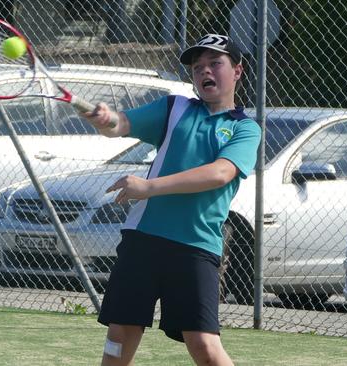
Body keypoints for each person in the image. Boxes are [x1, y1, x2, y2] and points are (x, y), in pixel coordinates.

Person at [81, 34, 262, 366]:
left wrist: (149, 187)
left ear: (237, 71)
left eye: (215, 64)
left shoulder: (245, 129)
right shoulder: (174, 108)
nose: (204, 71)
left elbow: (220, 173)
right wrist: (107, 119)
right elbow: (121, 124)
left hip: (196, 246)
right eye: (197, 67)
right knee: (118, 338)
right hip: (144, 239)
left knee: (205, 347)